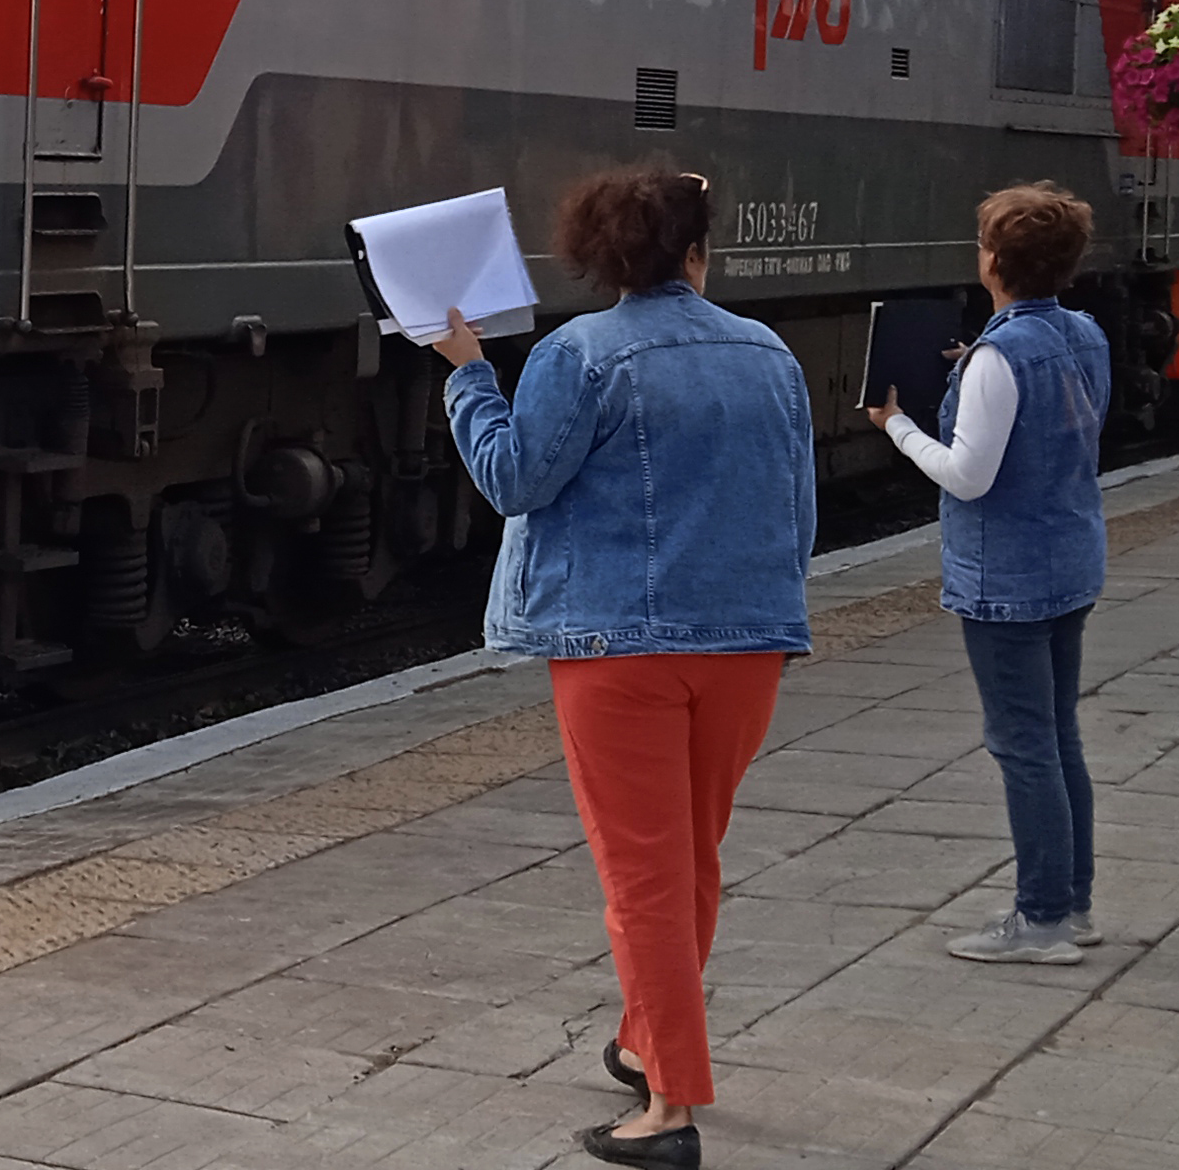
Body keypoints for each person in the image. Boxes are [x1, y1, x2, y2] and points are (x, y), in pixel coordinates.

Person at [434, 166, 813, 1170]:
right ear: (698, 254)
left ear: (597, 258)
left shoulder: (580, 355)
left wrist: (468, 373)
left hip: (616, 652)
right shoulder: (769, 352)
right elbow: (796, 513)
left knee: (642, 874)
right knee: (691, 860)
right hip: (746, 645)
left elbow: (515, 479)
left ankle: (671, 1108)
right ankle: (649, 1038)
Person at [870, 182, 1110, 964]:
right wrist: (973, 374)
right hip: (1072, 557)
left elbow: (969, 476)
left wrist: (899, 426)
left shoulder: (998, 357)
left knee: (1022, 744)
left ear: (996, 263)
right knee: (1058, 733)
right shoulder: (1085, 335)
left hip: (1005, 576)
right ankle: (1071, 906)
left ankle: (1039, 920)